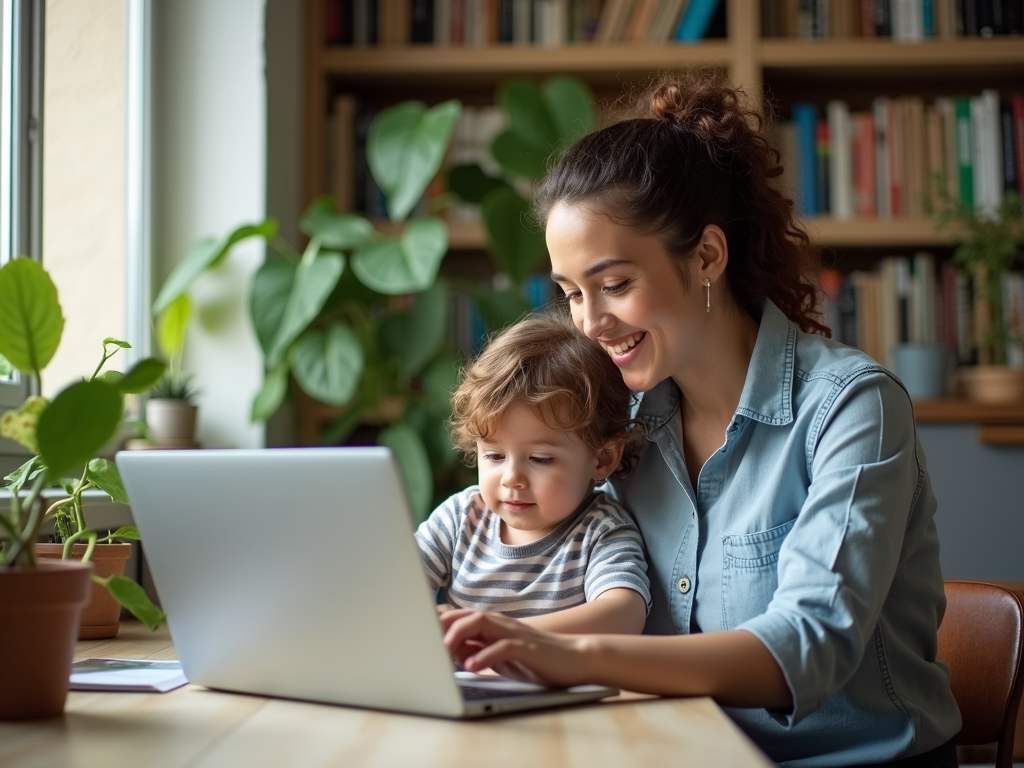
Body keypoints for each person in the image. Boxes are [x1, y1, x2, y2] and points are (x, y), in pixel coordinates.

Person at [439, 72, 962, 768]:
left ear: (708, 256)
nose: (590, 324)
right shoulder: (617, 421)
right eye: (570, 294)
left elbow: (808, 645)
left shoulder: (851, 407)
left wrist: (572, 652)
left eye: (615, 285)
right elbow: (539, 545)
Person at [415, 313, 651, 635]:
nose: (511, 478)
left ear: (602, 458)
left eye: (540, 459)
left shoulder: (600, 532)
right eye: (495, 455)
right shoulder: (461, 518)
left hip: (555, 687)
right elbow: (392, 586)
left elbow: (624, 615)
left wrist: (511, 636)